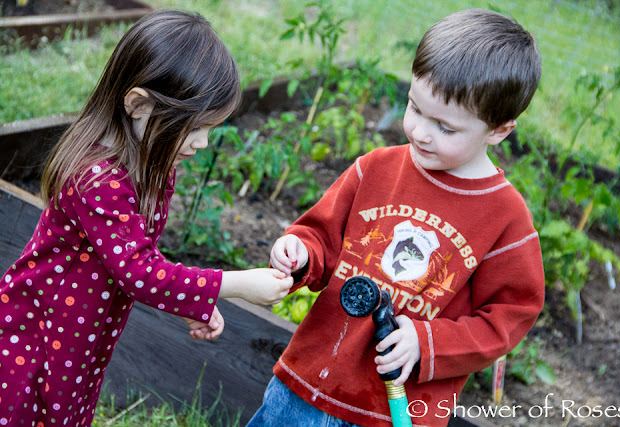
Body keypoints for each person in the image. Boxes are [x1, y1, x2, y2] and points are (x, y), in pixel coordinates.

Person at [249, 8, 545, 427]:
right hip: (310, 382)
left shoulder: (504, 218)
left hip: (396, 409)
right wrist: (300, 253)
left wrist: (427, 342)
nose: (421, 132)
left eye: (445, 127)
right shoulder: (376, 169)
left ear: (499, 130)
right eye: (414, 107)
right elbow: (321, 239)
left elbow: (509, 315)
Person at [0, 9, 293, 426]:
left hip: (80, 334)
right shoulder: (97, 178)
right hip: (39, 334)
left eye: (210, 129)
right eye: (194, 128)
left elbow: (140, 257)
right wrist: (236, 285)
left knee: (66, 408)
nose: (202, 142)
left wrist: (189, 299)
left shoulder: (153, 164)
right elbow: (138, 271)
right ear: (139, 104)